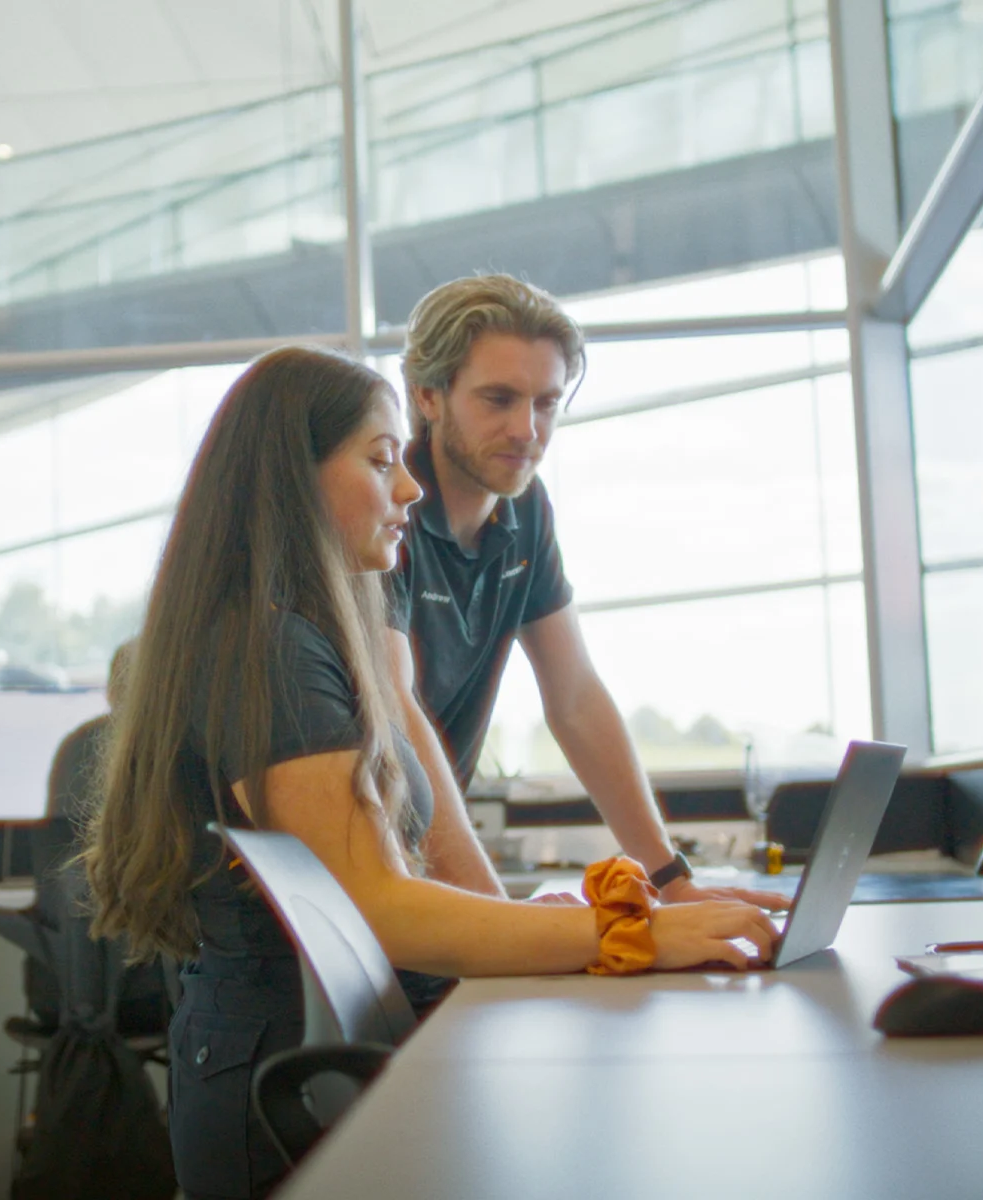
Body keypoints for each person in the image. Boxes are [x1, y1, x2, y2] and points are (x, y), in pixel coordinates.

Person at [84, 346, 786, 1200]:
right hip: (277, 1095)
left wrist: (523, 926)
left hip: (302, 1062)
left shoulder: (297, 633)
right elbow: (379, 904)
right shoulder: (265, 648)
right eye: (382, 462)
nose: (409, 487)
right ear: (289, 481)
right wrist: (629, 936)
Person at [389, 274, 757, 905]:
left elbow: (577, 698)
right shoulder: (385, 512)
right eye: (498, 399)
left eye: (546, 403)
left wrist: (672, 881)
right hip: (352, 868)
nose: (527, 430)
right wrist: (502, 917)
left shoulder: (525, 508)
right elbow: (399, 721)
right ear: (428, 395)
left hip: (423, 859)